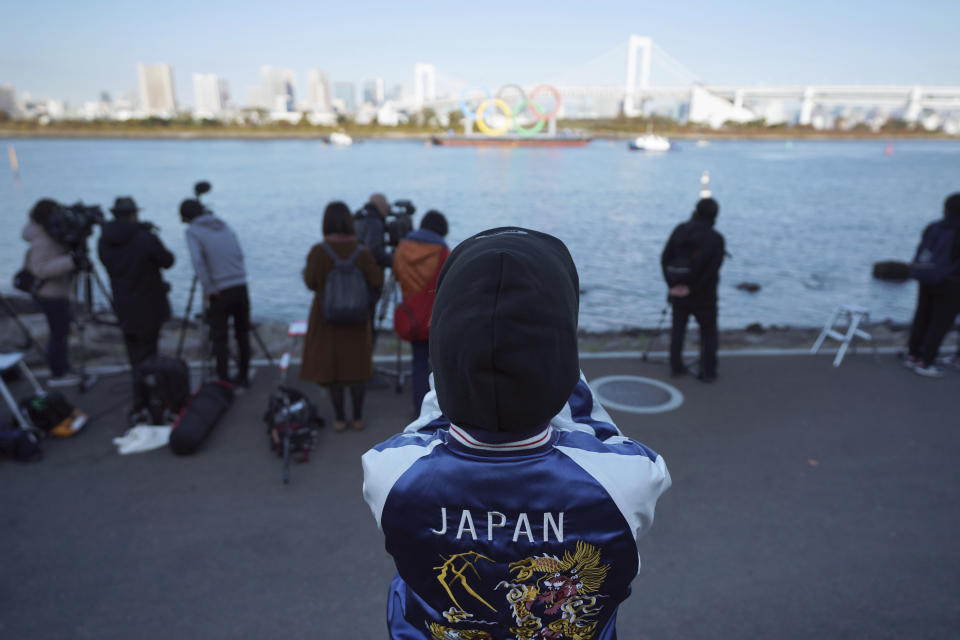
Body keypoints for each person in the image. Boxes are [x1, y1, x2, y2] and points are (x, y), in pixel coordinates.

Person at [362, 227, 671, 639]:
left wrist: (464, 354)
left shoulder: (387, 471)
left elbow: (430, 420)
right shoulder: (629, 479)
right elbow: (597, 430)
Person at [300, 201, 384, 431]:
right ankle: (357, 417)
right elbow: (377, 280)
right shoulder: (362, 252)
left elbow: (310, 282)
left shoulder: (319, 251)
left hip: (326, 319)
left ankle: (339, 419)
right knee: (356, 369)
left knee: (333, 370)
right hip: (356, 319)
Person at [98, 197, 175, 419]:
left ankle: (140, 401)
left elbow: (107, 263)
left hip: (123, 304)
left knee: (135, 356)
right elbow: (167, 260)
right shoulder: (144, 237)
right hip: (149, 303)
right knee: (150, 354)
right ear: (133, 214)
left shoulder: (104, 240)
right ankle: (153, 403)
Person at [179, 198, 251, 389]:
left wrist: (209, 288)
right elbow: (239, 252)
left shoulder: (192, 231)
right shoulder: (223, 224)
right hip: (240, 284)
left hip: (220, 289)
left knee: (220, 337)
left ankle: (223, 380)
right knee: (242, 334)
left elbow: (198, 261)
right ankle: (244, 376)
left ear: (186, 217)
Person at [661, 197, 726, 381]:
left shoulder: (681, 230)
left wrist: (673, 285)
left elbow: (665, 258)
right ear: (715, 215)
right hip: (704, 295)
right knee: (708, 332)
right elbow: (712, 269)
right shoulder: (716, 239)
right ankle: (708, 371)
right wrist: (692, 288)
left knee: (678, 329)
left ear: (696, 210)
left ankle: (676, 366)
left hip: (678, 291)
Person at [392, 210, 450, 414]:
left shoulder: (402, 249)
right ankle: (437, 409)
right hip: (435, 317)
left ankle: (419, 409)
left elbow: (397, 277)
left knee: (417, 362)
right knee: (437, 365)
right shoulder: (443, 252)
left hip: (412, 316)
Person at [20, 199, 82, 386]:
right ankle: (58, 373)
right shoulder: (42, 239)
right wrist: (70, 261)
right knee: (58, 333)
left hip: (55, 292)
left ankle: (62, 367)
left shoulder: (50, 234)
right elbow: (39, 269)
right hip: (50, 293)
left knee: (60, 331)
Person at [904, 192, 960, 377]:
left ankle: (913, 354)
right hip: (951, 282)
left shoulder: (934, 227)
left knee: (922, 315)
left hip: (926, 276)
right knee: (940, 323)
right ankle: (926, 362)